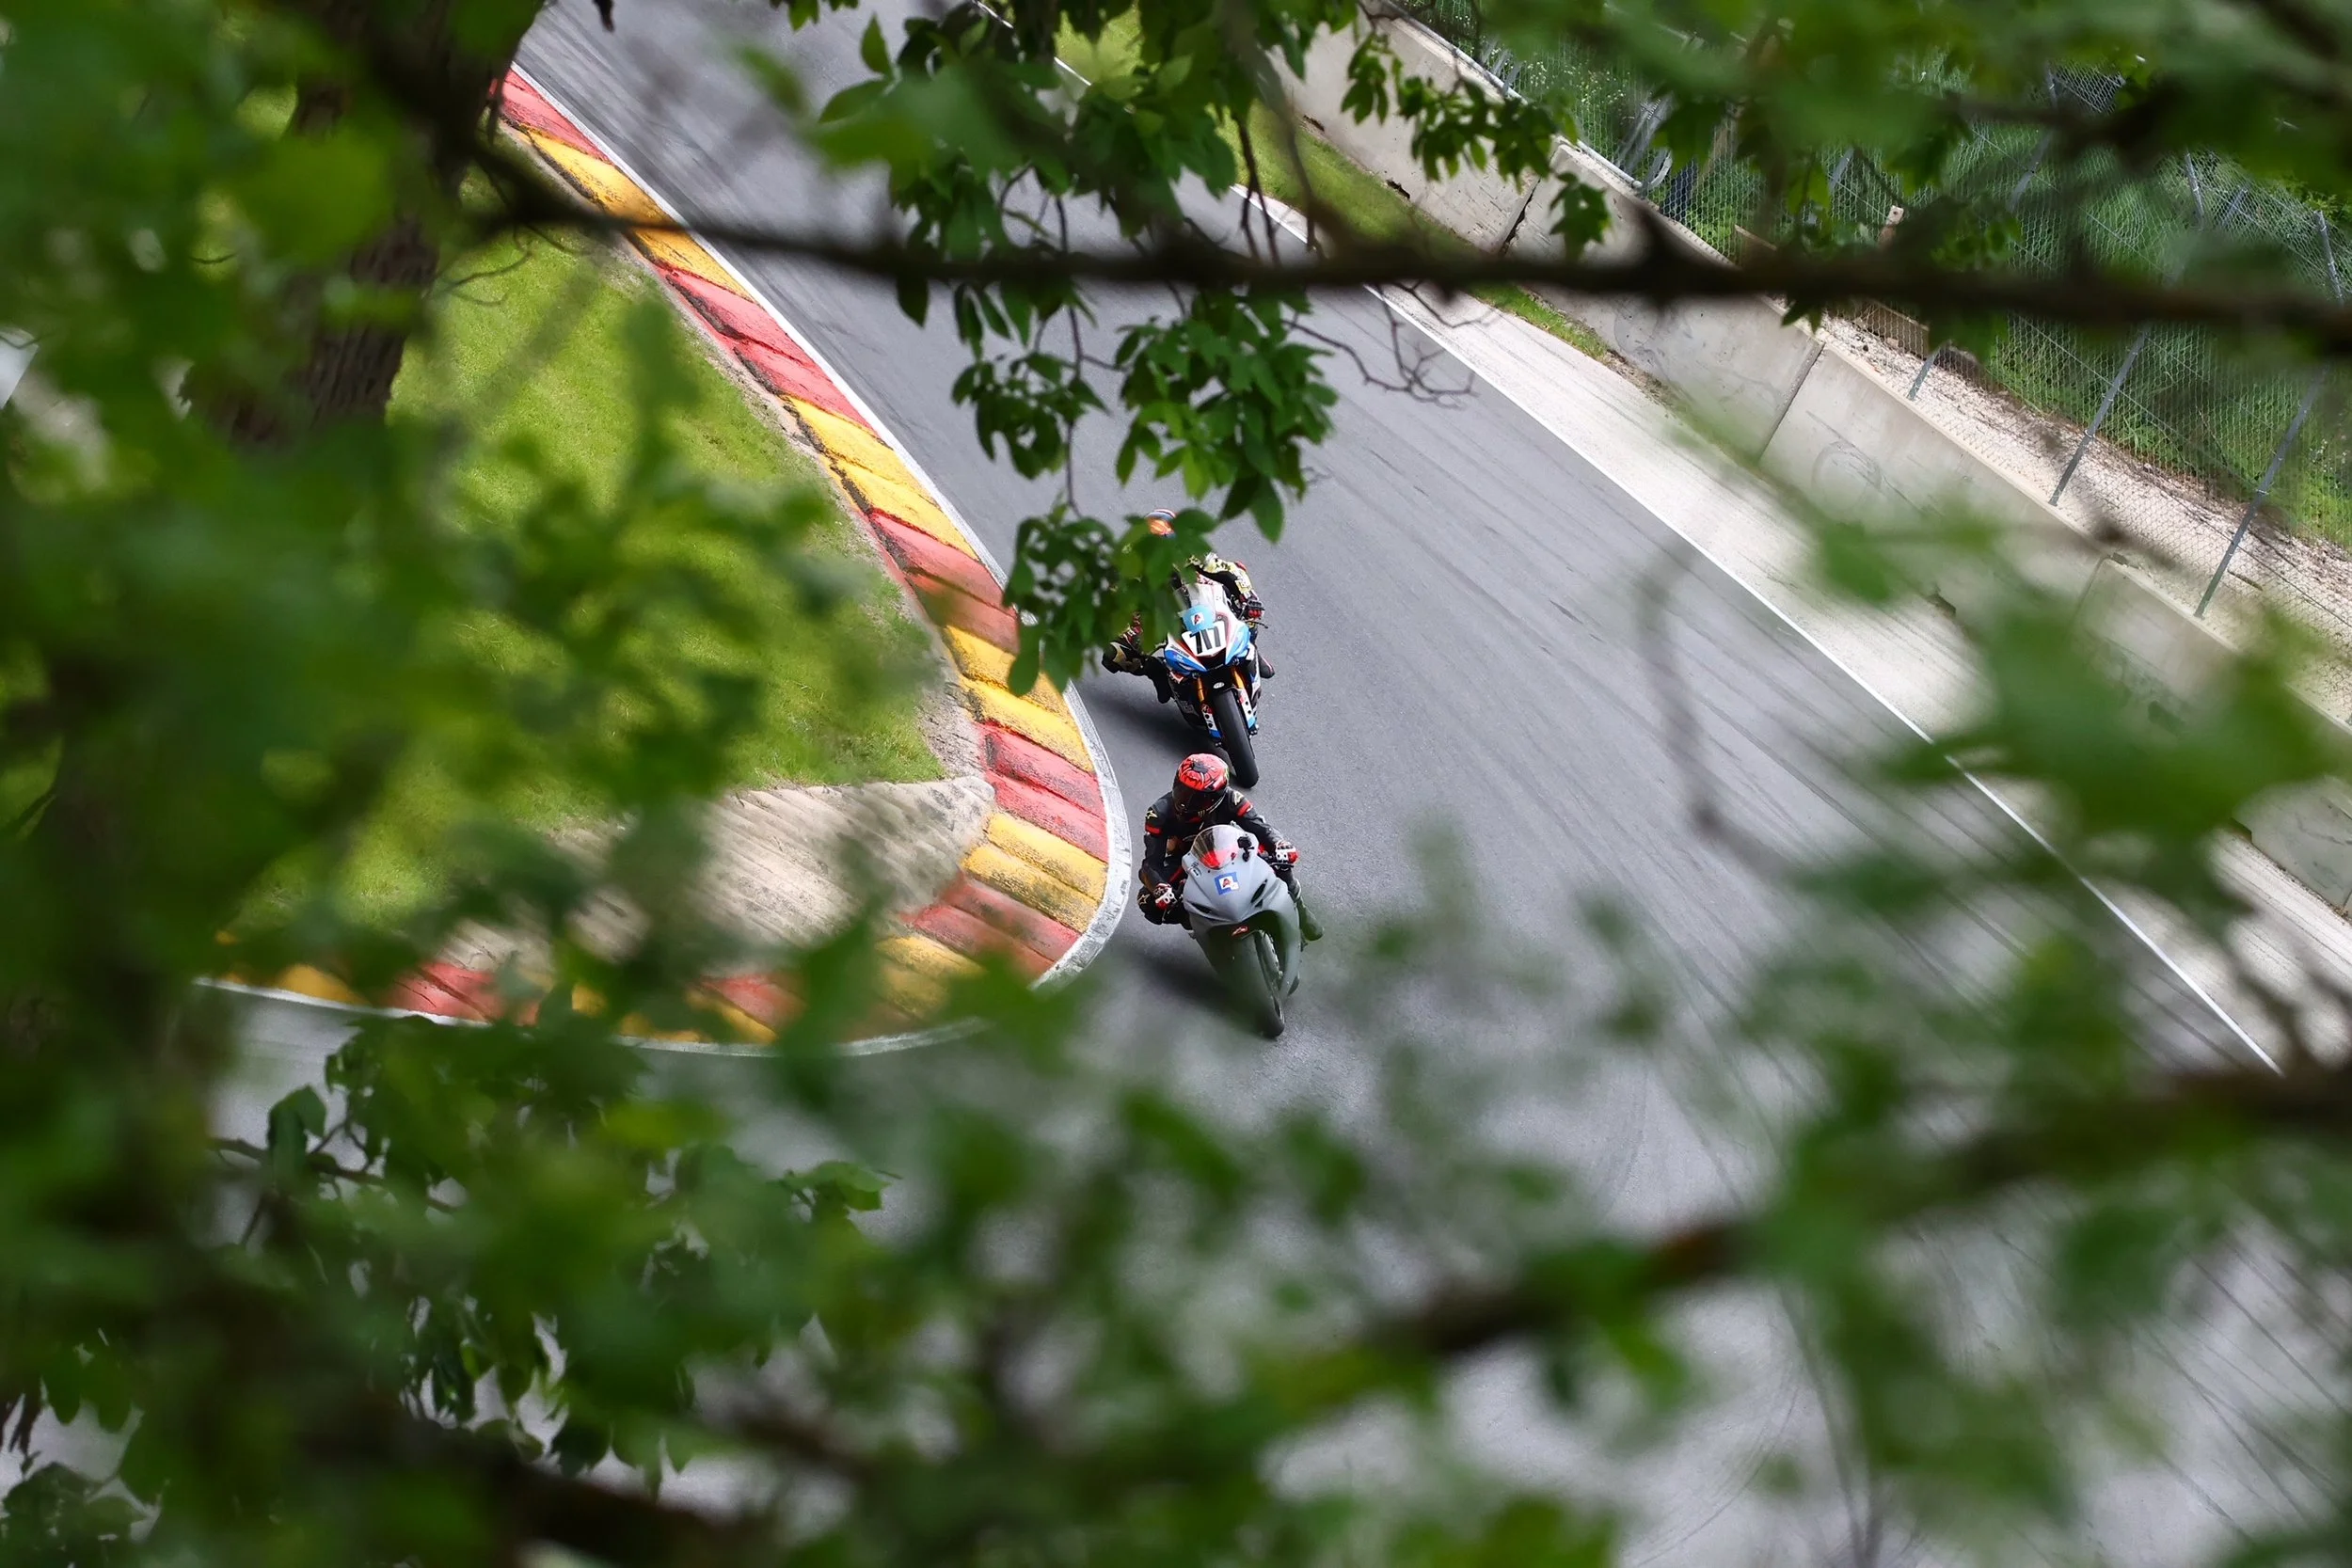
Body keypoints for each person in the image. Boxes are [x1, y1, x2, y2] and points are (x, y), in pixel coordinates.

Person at [1136, 752, 1323, 941]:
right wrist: (1159, 887)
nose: (1184, 802)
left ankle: (1299, 907)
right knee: (1147, 900)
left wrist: (1279, 844)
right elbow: (1150, 864)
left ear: (1215, 797)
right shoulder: (1158, 813)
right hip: (1188, 864)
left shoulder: (1232, 799)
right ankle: (1202, 929)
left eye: (1197, 798)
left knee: (1281, 861)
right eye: (1182, 790)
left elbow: (1261, 828)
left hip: (1231, 852)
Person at [1101, 510, 1277, 700]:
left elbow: (1227, 569)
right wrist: (1130, 634)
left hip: (1200, 597)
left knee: (1242, 596)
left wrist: (1248, 596)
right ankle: (1157, 672)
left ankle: (1251, 646)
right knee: (1114, 655)